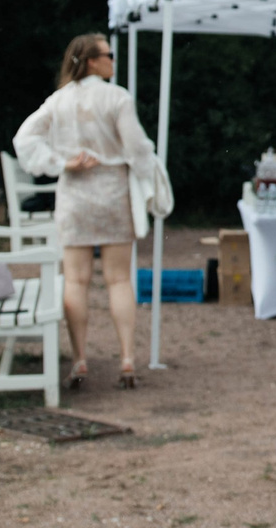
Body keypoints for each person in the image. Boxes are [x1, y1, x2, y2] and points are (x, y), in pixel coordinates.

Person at [14, 33, 173, 390]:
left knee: (76, 281)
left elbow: (24, 139)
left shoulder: (58, 100)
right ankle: (127, 358)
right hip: (113, 193)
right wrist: (150, 181)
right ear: (91, 61)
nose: (113, 60)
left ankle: (80, 359)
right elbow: (138, 149)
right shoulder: (117, 97)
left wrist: (60, 163)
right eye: (108, 54)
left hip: (75, 196)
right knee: (118, 279)